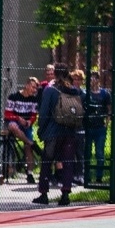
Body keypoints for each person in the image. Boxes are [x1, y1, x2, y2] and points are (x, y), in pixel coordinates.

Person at [32, 62, 81, 206]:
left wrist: (41, 131)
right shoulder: (74, 91)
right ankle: (65, 194)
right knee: (67, 163)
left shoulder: (50, 90)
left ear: (55, 73)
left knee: (47, 162)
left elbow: (44, 113)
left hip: (53, 132)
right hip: (70, 132)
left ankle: (44, 194)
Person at [3, 76, 40, 184]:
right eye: (32, 87)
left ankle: (30, 173)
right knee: (13, 126)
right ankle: (30, 142)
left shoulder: (33, 99)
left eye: (35, 88)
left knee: (28, 148)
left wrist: (29, 122)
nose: (34, 90)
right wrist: (18, 118)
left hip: (26, 124)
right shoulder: (14, 97)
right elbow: (7, 113)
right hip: (14, 122)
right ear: (27, 85)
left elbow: (34, 115)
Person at [85, 71, 111, 183]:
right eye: (90, 79)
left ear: (98, 80)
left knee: (99, 153)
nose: (92, 81)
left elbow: (109, 109)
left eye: (94, 78)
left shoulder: (105, 94)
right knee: (88, 152)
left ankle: (99, 176)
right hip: (89, 127)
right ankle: (87, 175)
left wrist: (106, 123)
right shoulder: (86, 93)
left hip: (100, 127)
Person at [70, 69, 87, 185]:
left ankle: (80, 175)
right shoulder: (68, 93)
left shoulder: (84, 94)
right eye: (74, 79)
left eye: (78, 79)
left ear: (82, 81)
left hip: (80, 126)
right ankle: (69, 176)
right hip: (69, 126)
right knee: (69, 152)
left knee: (80, 153)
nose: (76, 81)